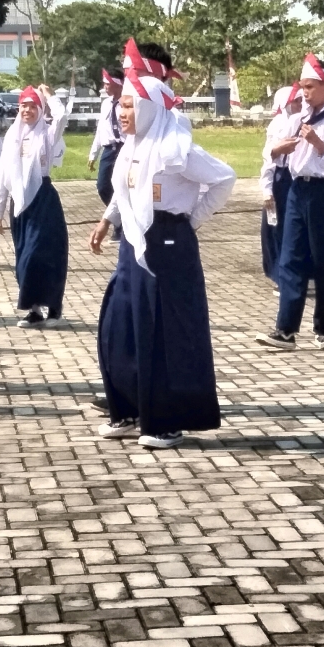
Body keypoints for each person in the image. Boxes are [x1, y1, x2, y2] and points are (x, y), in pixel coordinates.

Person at [89, 71, 235, 448]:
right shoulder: (131, 146)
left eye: (128, 105)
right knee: (120, 326)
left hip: (168, 245)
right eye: (121, 105)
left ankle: (166, 421)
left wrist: (192, 219)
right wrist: (107, 223)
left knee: (163, 331)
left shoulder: (175, 148)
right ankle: (129, 409)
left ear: (149, 107)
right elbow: (124, 193)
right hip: (133, 243)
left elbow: (224, 178)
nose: (122, 113)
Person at [256, 54, 324, 351]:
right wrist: (277, 150)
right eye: (303, 86)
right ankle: (286, 330)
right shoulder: (295, 119)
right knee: (290, 257)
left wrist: (320, 146)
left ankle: (323, 329)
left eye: (312, 86)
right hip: (296, 191)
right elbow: (270, 154)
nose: (305, 92)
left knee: (322, 260)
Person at [0, 85, 70, 328]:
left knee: (43, 255)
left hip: (43, 201)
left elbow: (62, 116)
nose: (27, 110)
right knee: (23, 257)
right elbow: (3, 174)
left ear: (40, 109)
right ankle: (34, 310)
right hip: (20, 205)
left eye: (32, 106)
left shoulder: (47, 134)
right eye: (23, 105)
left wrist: (48, 96)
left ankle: (54, 308)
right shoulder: (12, 137)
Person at [259, 84, 301, 286]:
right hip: (281, 180)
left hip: (297, 179)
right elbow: (269, 159)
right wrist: (267, 189)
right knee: (276, 227)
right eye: (296, 101)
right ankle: (279, 273)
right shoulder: (278, 124)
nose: (300, 104)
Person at [88, 69, 125, 207]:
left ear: (118, 84)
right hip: (109, 150)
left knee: (123, 185)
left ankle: (124, 219)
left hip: (125, 148)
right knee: (103, 185)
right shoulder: (106, 104)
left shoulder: (128, 103)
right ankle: (117, 214)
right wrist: (93, 154)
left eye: (107, 84)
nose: (105, 87)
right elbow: (100, 130)